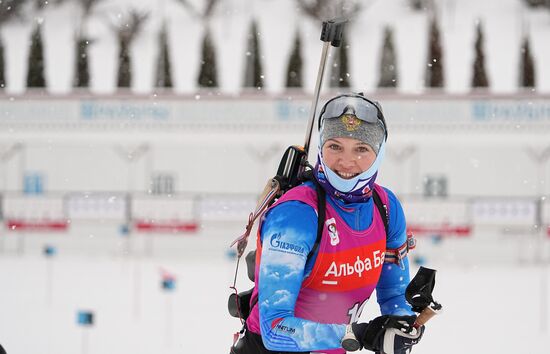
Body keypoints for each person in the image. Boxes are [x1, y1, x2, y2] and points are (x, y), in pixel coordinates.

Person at [230, 93, 424, 354]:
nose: (346, 161)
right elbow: (274, 328)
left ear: (379, 153)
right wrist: (356, 333)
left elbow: (394, 296)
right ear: (321, 146)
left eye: (361, 149)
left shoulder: (386, 208)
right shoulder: (297, 214)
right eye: (335, 146)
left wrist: (403, 326)